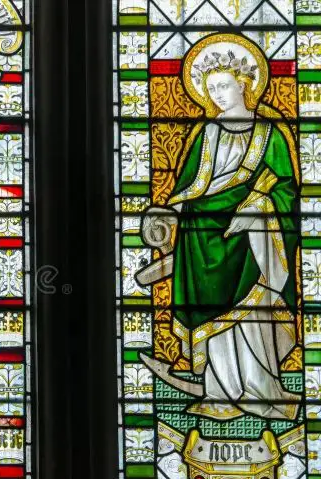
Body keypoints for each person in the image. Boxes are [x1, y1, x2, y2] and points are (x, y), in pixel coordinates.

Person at [157, 35, 300, 420]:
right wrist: (170, 216)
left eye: (224, 85)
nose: (218, 94)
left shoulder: (270, 135)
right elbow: (186, 189)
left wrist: (256, 209)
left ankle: (260, 387)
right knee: (215, 323)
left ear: (245, 84)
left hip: (253, 240)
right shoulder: (206, 134)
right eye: (211, 88)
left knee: (254, 317)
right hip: (203, 237)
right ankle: (219, 393)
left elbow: (286, 188)